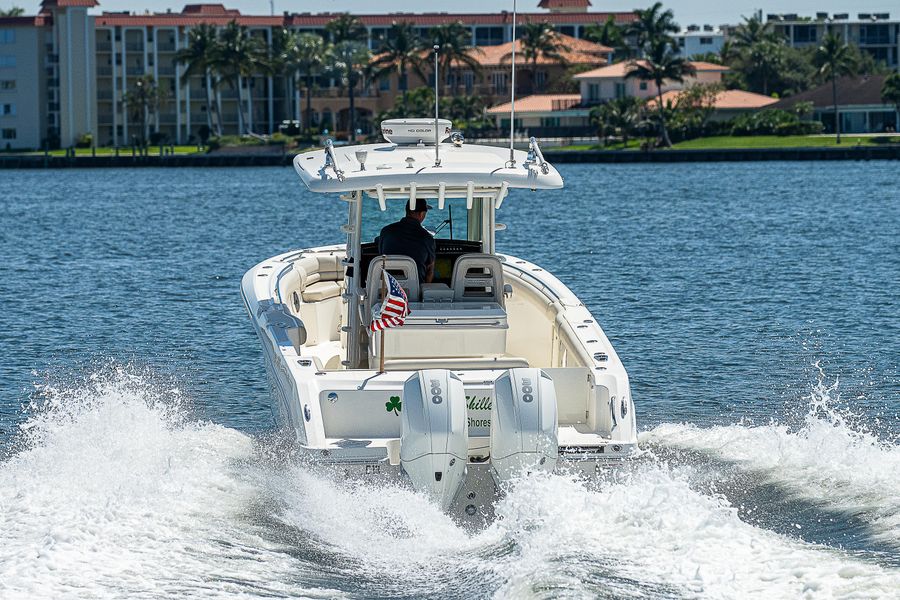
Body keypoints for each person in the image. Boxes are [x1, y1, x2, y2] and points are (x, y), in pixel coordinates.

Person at [377, 199, 436, 283]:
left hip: (388, 289)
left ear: (407, 211)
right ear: (422, 214)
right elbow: (429, 270)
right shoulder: (427, 238)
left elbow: (381, 256)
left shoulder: (386, 231)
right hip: (415, 291)